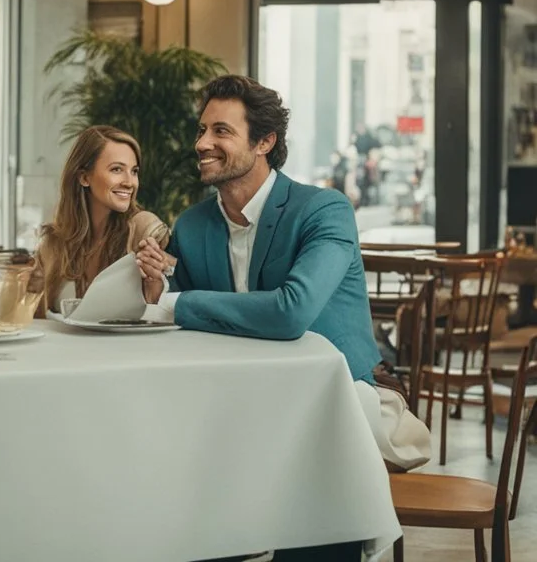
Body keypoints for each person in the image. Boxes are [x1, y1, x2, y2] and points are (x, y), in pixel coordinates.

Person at [136, 76, 430, 558]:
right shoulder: (192, 225)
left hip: (322, 420)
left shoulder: (324, 211)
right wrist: (159, 289)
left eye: (221, 131)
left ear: (265, 142)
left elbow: (291, 311)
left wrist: (172, 304)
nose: (201, 143)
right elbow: (183, 319)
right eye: (201, 129)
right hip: (228, 418)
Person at [31, 126, 170, 313]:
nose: (129, 182)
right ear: (84, 177)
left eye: (134, 171)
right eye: (117, 169)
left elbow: (167, 303)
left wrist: (156, 284)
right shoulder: (53, 245)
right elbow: (34, 319)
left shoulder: (144, 229)